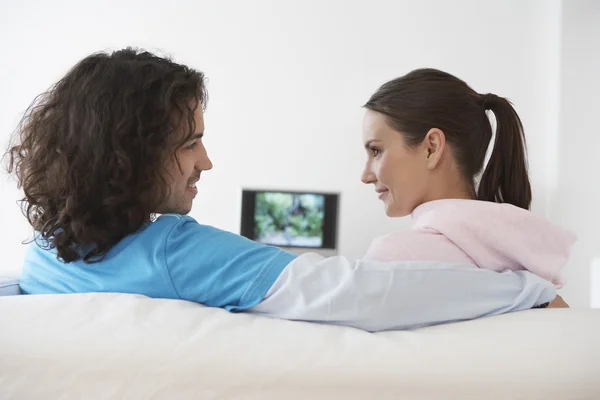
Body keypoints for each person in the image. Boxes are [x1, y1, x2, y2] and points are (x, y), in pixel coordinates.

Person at [4, 48, 556, 332]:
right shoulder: (175, 250)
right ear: (131, 152)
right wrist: (523, 290)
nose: (207, 160)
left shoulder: (47, 255)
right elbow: (357, 291)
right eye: (190, 142)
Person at [360, 69, 576, 290]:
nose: (365, 176)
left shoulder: (393, 259)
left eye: (376, 151)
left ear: (431, 148)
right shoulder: (533, 270)